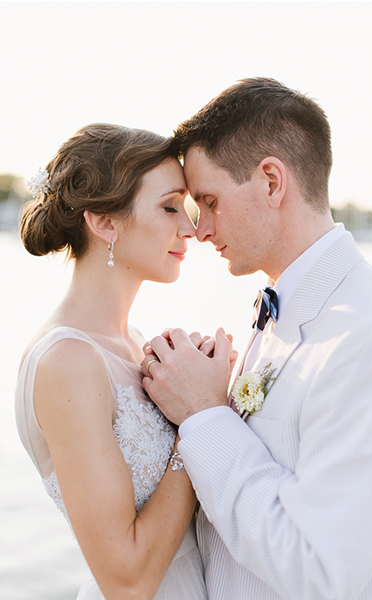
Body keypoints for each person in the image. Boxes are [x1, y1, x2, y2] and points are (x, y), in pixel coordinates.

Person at [140, 78, 372, 599]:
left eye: (208, 201)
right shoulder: (282, 307)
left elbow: (320, 568)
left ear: (272, 182)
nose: (201, 229)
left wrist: (204, 417)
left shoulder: (369, 332)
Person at [15, 123, 213, 598]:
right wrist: (201, 422)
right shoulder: (67, 362)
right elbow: (126, 580)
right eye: (169, 207)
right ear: (104, 222)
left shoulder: (135, 343)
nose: (190, 228)